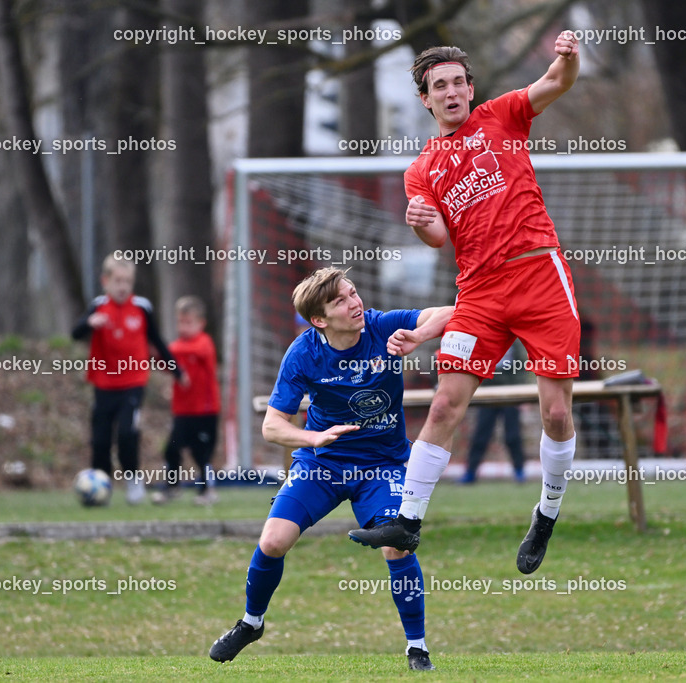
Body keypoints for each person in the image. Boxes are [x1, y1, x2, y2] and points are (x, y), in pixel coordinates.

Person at [349, 33, 581, 576]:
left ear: (470, 89)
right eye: (439, 87)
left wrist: (568, 58)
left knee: (555, 411)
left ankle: (546, 513)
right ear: (426, 100)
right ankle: (407, 520)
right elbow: (435, 239)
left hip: (539, 274)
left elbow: (557, 82)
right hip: (478, 291)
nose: (451, 92)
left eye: (458, 82)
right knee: (443, 405)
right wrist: (427, 225)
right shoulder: (421, 169)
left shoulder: (502, 116)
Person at [209, 268, 453, 671]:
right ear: (320, 320)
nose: (355, 303)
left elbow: (454, 311)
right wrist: (313, 439)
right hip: (324, 463)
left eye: (353, 293)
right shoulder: (304, 352)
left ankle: (417, 648)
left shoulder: (380, 325)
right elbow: (273, 426)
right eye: (341, 300)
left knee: (398, 543)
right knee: (272, 541)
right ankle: (251, 623)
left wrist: (420, 336)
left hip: (383, 465)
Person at [71, 253, 183, 504]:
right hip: (103, 384)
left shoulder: (142, 307)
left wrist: (176, 371)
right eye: (117, 281)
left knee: (126, 433)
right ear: (105, 281)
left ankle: (133, 479)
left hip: (133, 383)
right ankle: (102, 485)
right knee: (100, 439)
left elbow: (157, 341)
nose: (122, 287)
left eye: (127, 281)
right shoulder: (98, 306)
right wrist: (90, 322)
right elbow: (75, 333)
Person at [151, 296, 220, 506]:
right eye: (180, 322)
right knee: (171, 449)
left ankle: (207, 490)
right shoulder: (177, 347)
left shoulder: (203, 343)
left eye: (188, 322)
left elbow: (194, 353)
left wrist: (165, 350)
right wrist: (156, 356)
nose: (183, 327)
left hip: (205, 411)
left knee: (201, 453)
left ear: (201, 323)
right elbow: (166, 365)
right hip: (182, 411)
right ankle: (172, 487)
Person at [460, 344, 527, 484]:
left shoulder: (516, 339)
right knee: (481, 434)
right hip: (487, 393)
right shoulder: (486, 333)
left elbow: (522, 364)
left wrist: (523, 392)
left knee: (513, 435)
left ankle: (519, 471)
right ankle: (470, 472)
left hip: (512, 393)